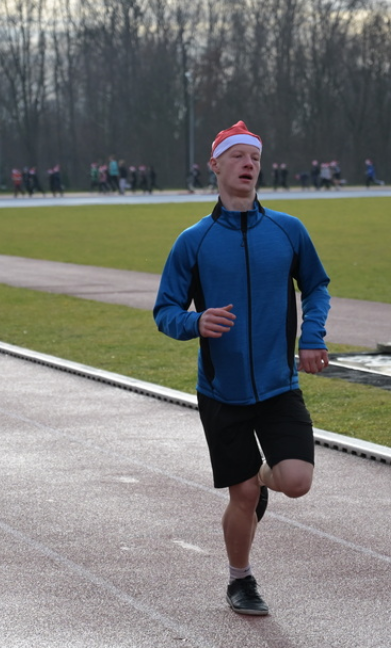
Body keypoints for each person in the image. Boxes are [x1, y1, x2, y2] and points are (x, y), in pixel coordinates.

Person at [153, 120, 331, 617]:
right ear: (215, 165)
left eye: (254, 157)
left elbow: (316, 287)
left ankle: (258, 475)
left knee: (296, 481)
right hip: (221, 390)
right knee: (244, 495)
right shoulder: (195, 240)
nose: (249, 165)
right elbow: (164, 311)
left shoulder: (288, 230)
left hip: (279, 385)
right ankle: (240, 581)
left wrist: (312, 336)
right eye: (237, 157)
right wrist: (195, 322)